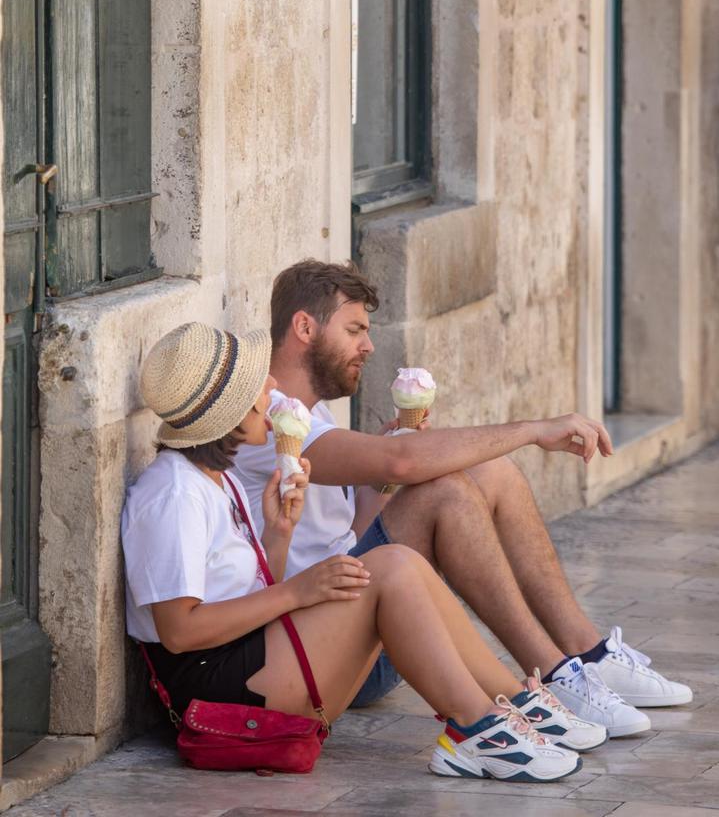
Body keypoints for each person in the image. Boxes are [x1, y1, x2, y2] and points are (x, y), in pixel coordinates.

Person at [122, 321, 606, 785]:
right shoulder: (173, 493)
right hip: (217, 687)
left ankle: (512, 703)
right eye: (255, 385)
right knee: (389, 567)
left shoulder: (216, 478)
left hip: (251, 657)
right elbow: (181, 631)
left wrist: (278, 533)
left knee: (403, 563)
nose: (269, 384)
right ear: (232, 412)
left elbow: (245, 587)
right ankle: (476, 729)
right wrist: (298, 591)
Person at [234, 260, 693, 738]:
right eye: (354, 331)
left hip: (374, 619)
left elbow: (353, 529)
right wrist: (534, 430)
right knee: (446, 491)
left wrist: (381, 481)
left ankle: (586, 653)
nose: (367, 346)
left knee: (489, 472)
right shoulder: (266, 424)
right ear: (305, 327)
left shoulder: (313, 413)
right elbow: (402, 464)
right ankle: (553, 676)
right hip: (324, 651)